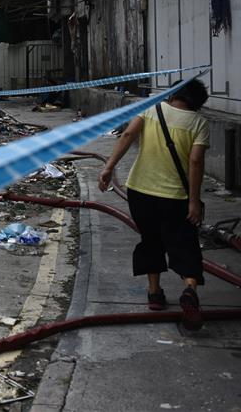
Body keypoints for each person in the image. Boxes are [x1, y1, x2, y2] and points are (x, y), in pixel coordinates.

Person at [98, 79, 210, 331]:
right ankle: (189, 289)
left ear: (173, 93)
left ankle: (155, 293)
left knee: (151, 239)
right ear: (197, 103)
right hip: (175, 198)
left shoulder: (150, 108)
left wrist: (108, 167)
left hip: (140, 191)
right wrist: (194, 200)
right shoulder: (199, 123)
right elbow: (195, 163)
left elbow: (127, 135)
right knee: (184, 243)